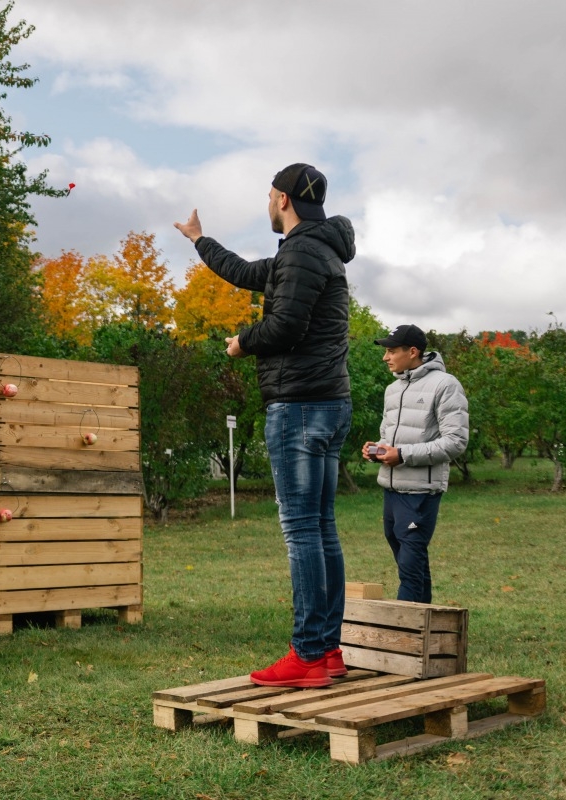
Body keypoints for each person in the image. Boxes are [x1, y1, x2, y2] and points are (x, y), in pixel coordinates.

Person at [175, 163, 356, 688]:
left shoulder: (301, 251)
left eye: (268, 197)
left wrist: (243, 343)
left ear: (280, 198)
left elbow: (285, 326)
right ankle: (327, 651)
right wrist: (200, 241)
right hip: (324, 404)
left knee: (302, 530)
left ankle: (306, 656)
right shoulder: (312, 251)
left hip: (299, 406)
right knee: (321, 528)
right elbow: (251, 275)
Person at [362, 324, 469, 604]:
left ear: (413, 352)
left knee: (410, 566)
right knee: (411, 562)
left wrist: (403, 454)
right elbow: (390, 437)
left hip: (421, 492)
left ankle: (403, 633)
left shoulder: (445, 385)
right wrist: (378, 449)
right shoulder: (392, 389)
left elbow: (456, 442)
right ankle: (426, 630)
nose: (386, 357)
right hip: (392, 488)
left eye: (391, 351)